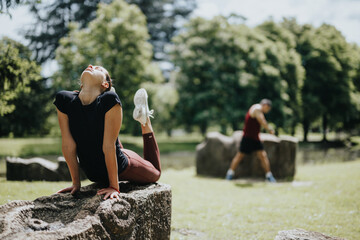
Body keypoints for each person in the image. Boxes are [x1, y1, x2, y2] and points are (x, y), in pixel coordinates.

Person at [54, 64, 161, 200]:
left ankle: (145, 120)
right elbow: (68, 145)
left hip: (122, 165)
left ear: (105, 84)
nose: (91, 65)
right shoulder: (64, 100)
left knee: (156, 173)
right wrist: (76, 183)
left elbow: (108, 146)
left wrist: (114, 186)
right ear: (81, 85)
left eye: (98, 69)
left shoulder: (110, 99)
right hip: (95, 172)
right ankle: (112, 116)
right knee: (101, 122)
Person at [225, 99, 276, 182]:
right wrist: (270, 129)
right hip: (247, 138)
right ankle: (229, 174)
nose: (267, 111)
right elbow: (262, 121)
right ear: (265, 105)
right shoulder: (257, 109)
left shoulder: (258, 110)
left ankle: (269, 176)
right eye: (267, 109)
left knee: (263, 156)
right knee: (239, 156)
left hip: (255, 138)